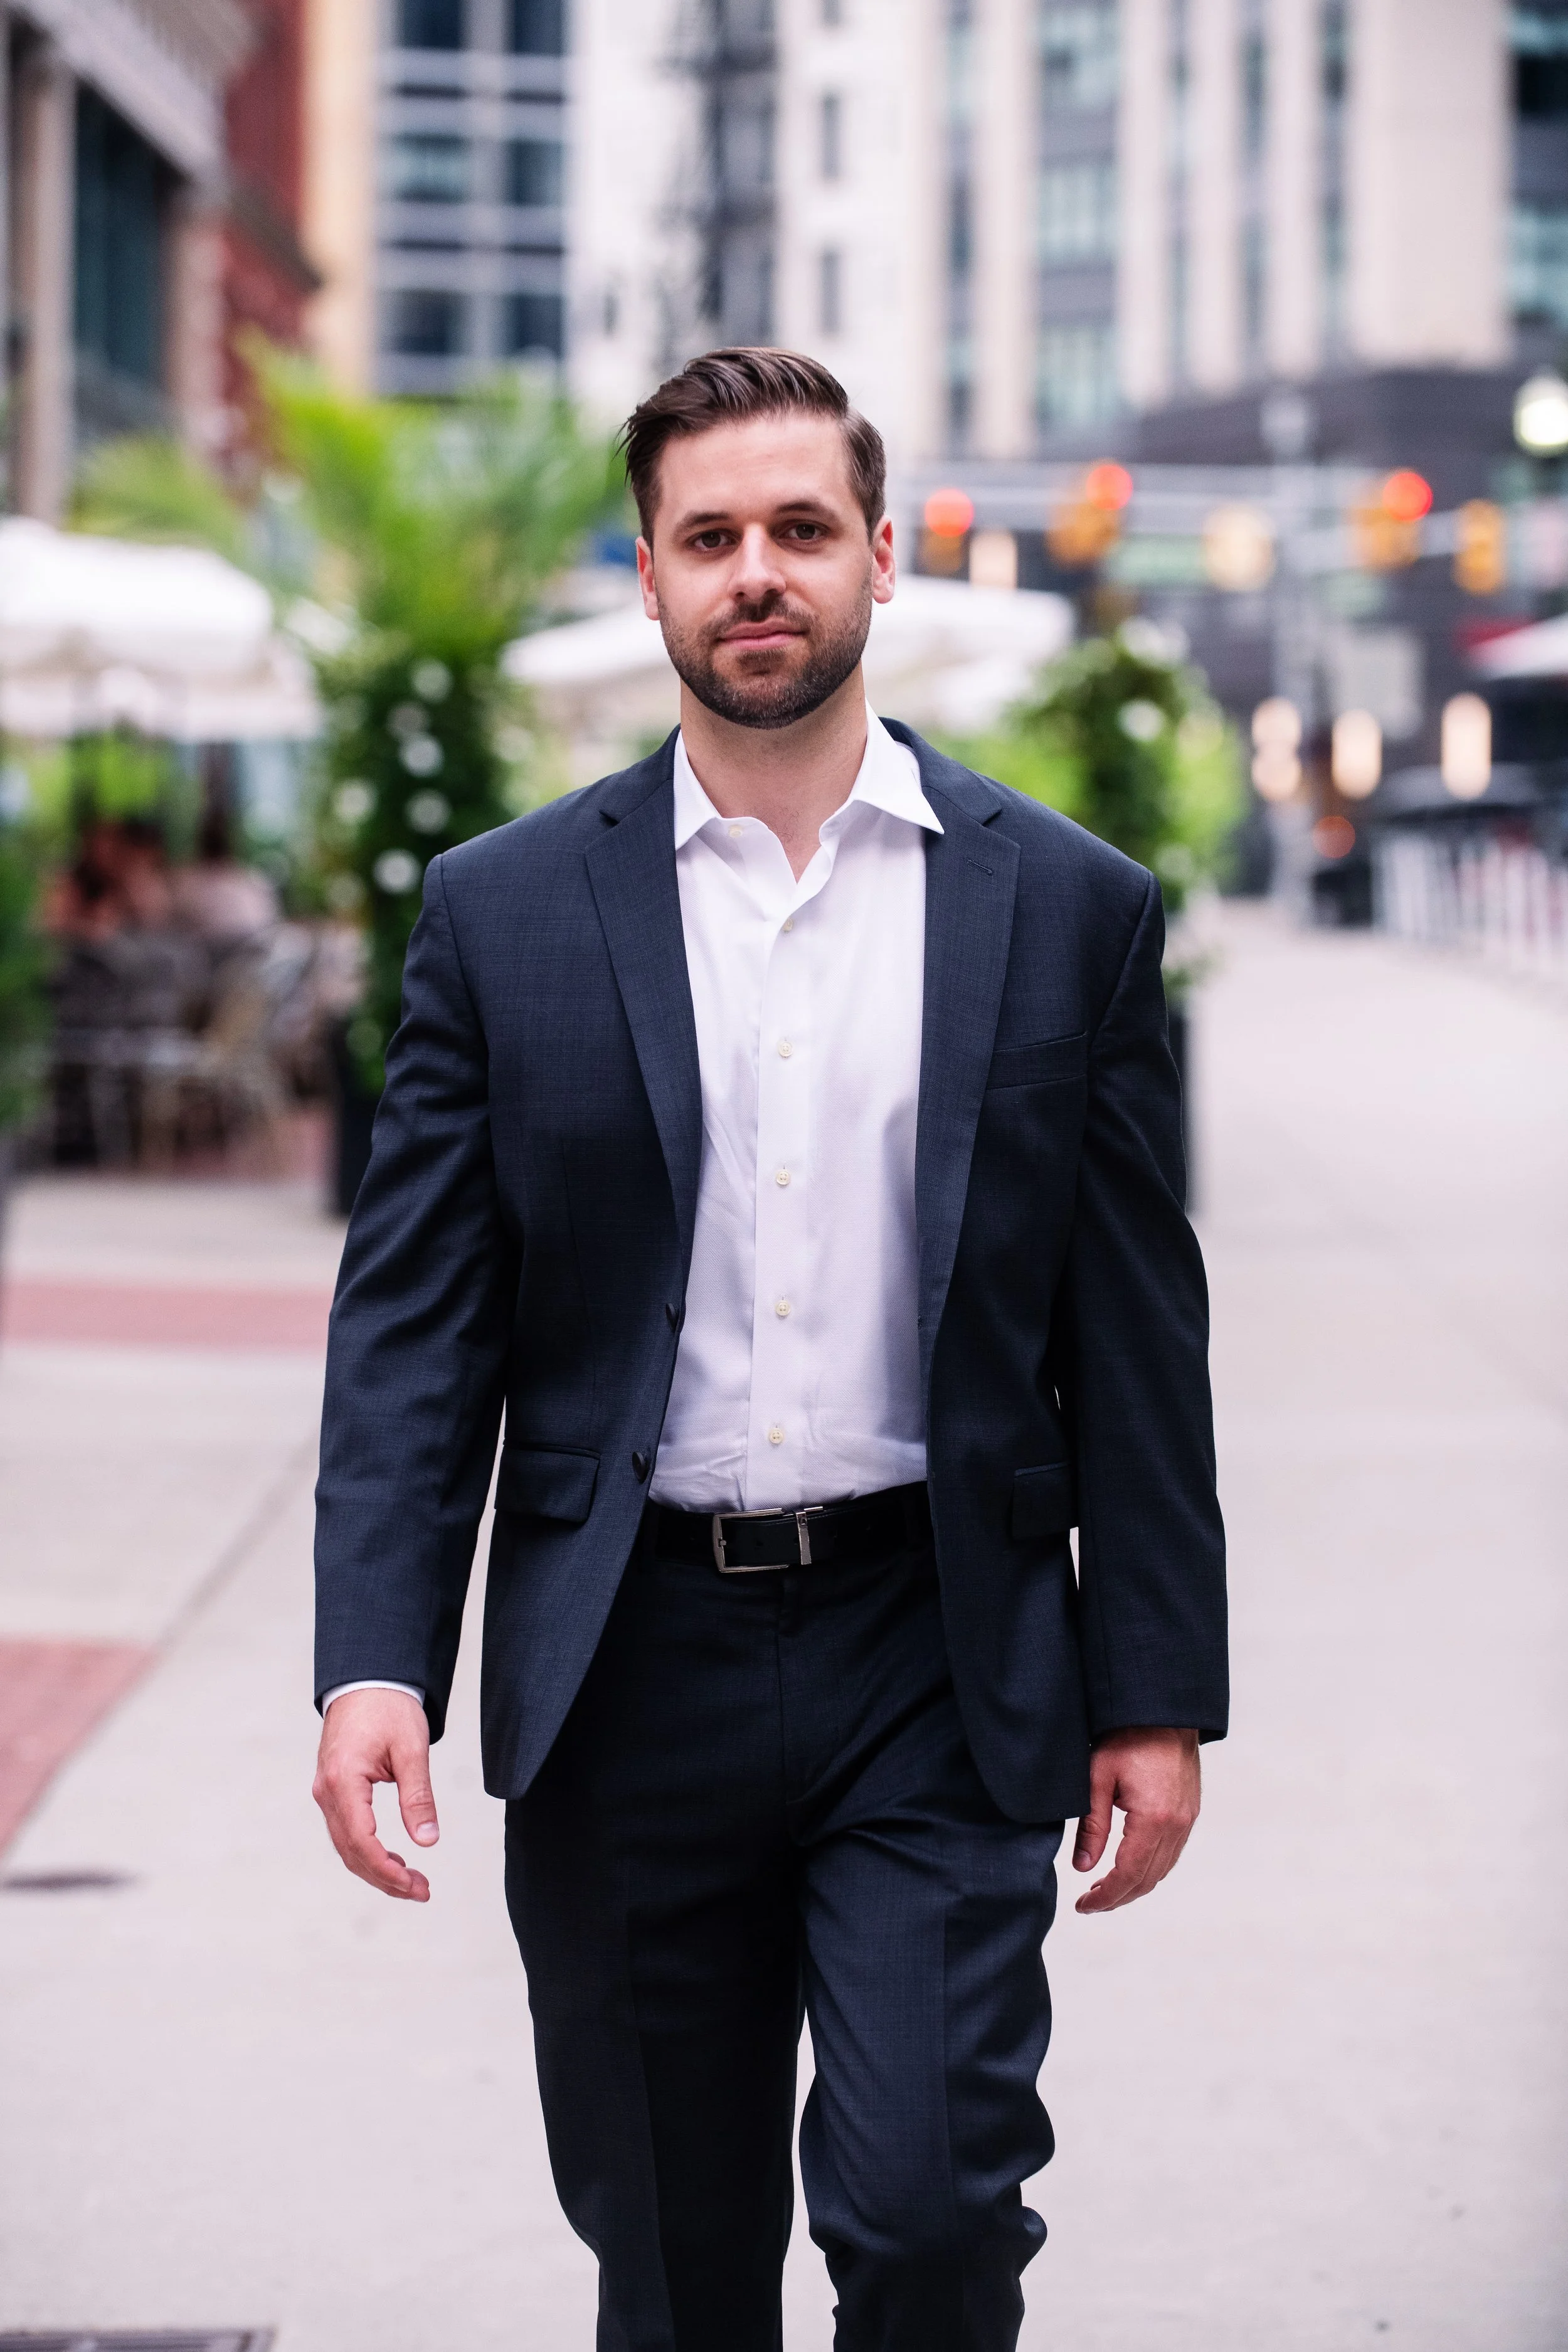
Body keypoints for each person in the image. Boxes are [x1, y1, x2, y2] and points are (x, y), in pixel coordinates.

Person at [312, 348, 1227, 2352]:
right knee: (674, 2262)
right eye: (708, 536)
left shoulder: (1063, 909)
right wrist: (375, 1650)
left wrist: (1151, 1684)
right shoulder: (506, 915)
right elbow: (415, 1316)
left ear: (879, 558)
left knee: (926, 2216)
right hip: (621, 1662)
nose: (757, 573)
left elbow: (1135, 1329)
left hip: (938, 1647)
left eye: (799, 529)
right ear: (645, 576)